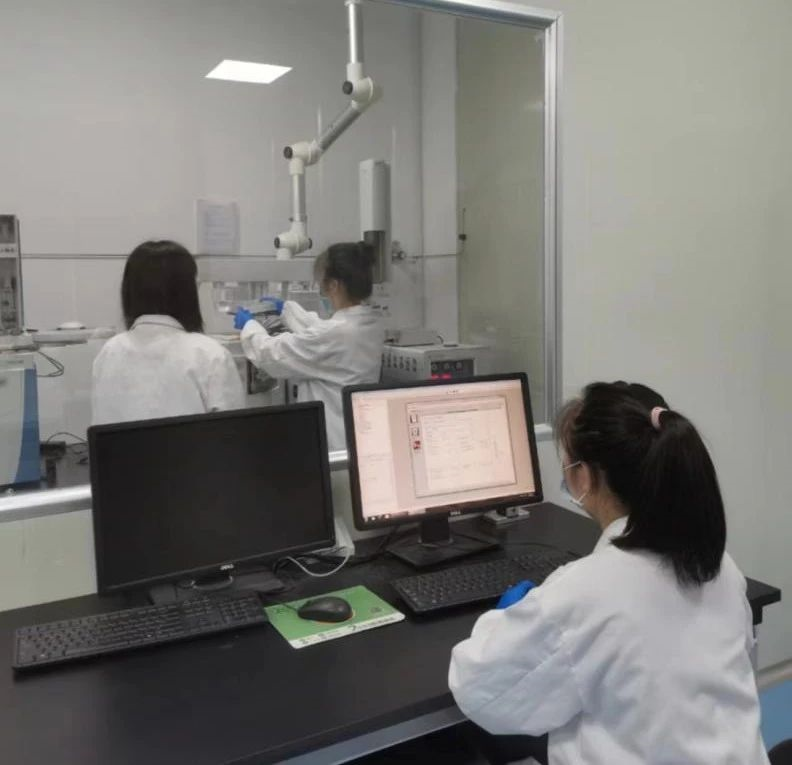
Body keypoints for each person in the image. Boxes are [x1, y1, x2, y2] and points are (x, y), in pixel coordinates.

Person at [449, 381, 769, 765]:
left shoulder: (585, 591)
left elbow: (482, 692)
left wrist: (498, 622)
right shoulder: (718, 566)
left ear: (584, 476)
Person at [235, 241, 384, 450]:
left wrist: (249, 327)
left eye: (321, 284)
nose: (321, 290)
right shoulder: (370, 323)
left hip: (335, 440)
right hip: (357, 435)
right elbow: (321, 334)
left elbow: (273, 353)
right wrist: (286, 310)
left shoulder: (337, 334)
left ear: (334, 285)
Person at [92, 240, 244, 425]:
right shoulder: (209, 354)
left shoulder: (109, 352)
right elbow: (232, 431)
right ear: (187, 292)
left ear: (129, 291)